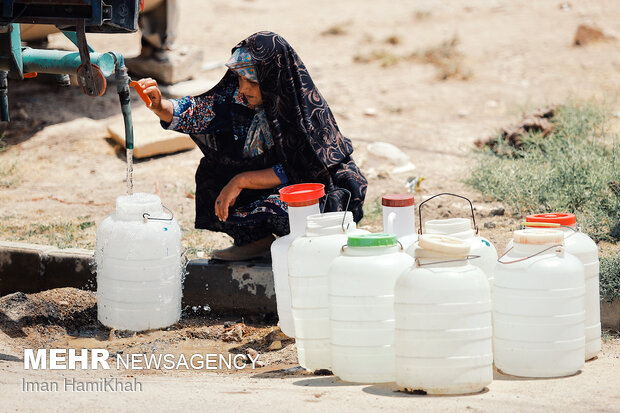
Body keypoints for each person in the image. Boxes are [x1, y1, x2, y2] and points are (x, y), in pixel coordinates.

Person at [137, 31, 367, 260]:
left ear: (271, 79)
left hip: (317, 192)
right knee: (211, 172)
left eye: (252, 81)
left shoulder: (302, 111)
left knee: (296, 206)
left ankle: (308, 246)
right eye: (239, 78)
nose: (243, 89)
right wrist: (161, 106)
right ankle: (257, 242)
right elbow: (199, 110)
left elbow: (302, 169)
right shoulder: (238, 98)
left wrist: (241, 180)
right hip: (268, 185)